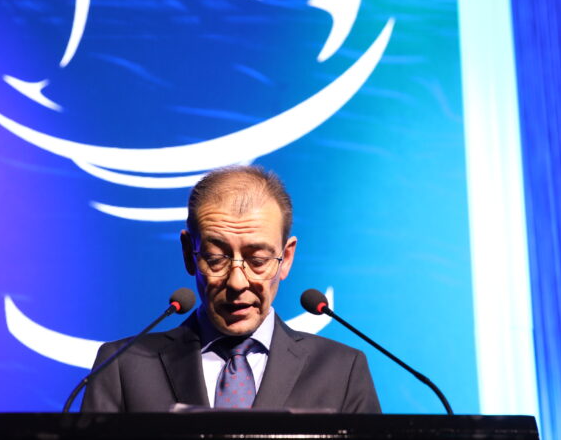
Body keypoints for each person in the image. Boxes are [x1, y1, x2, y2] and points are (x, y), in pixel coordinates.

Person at [81, 165, 381, 413]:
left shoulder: (342, 371)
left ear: (286, 258)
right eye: (216, 259)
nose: (237, 282)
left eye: (258, 260)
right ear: (189, 253)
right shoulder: (123, 366)